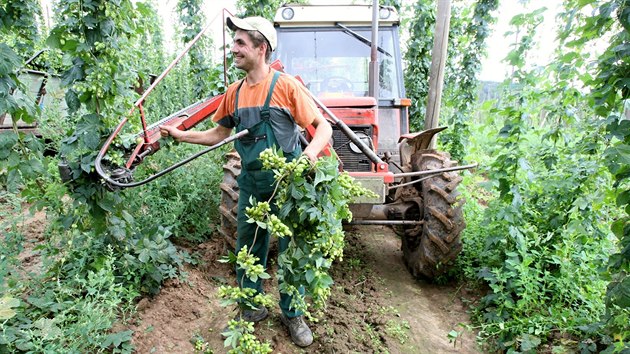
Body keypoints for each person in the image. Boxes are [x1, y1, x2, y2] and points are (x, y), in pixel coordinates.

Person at [160, 15, 332, 348]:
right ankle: (251, 307)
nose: (234, 48)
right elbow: (218, 134)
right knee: (249, 248)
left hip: (289, 183)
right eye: (234, 42)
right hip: (252, 182)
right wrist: (181, 136)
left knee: (292, 250)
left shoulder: (285, 86)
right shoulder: (234, 93)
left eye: (241, 43)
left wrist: (308, 157)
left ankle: (292, 313)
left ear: (261, 48)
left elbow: (321, 127)